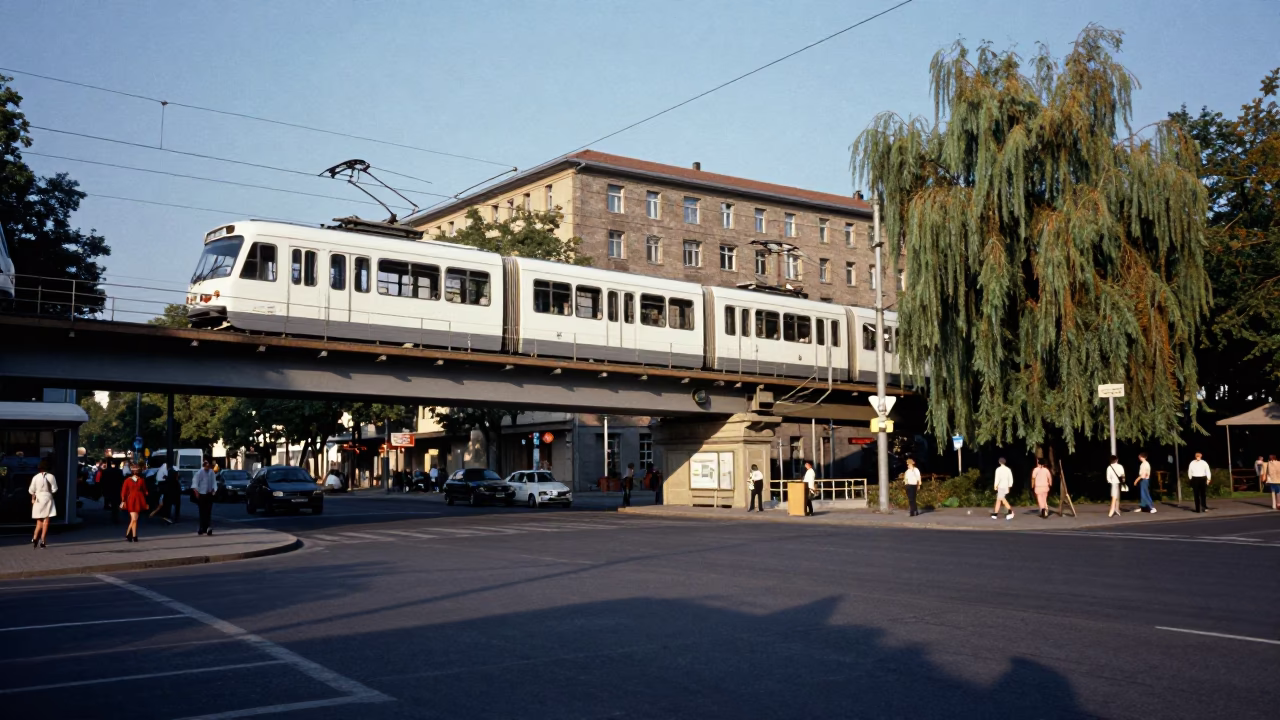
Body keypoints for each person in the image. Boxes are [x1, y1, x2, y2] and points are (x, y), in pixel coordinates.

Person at [29, 460, 58, 549]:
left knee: (39, 521)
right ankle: (43, 541)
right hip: (47, 498)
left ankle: (34, 538)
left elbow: (31, 490)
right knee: (46, 521)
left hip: (38, 499)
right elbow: (55, 489)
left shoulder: (35, 477)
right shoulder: (51, 476)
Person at [120, 463, 149, 542]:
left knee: (134, 519)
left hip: (139, 500)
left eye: (138, 471)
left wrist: (147, 495)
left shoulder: (141, 480)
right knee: (134, 519)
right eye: (135, 471)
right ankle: (132, 535)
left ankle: (132, 535)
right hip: (131, 500)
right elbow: (124, 492)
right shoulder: (127, 480)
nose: (137, 472)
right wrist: (123, 501)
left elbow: (145, 490)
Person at [191, 458, 217, 536]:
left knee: (208, 511)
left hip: (209, 494)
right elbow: (195, 483)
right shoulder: (199, 473)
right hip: (201, 494)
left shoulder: (211, 473)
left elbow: (214, 482)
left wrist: (214, 490)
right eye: (206, 466)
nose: (207, 468)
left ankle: (208, 527)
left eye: (208, 466)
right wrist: (196, 493)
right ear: (204, 465)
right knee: (202, 512)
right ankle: (202, 527)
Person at [149, 461, 176, 526]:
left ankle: (161, 516)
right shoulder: (167, 478)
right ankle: (165, 518)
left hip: (163, 494)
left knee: (161, 506)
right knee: (164, 506)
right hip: (165, 494)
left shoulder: (159, 474)